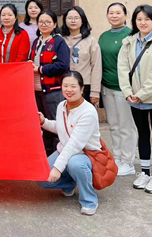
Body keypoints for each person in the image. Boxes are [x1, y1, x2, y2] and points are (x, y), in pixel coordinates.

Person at [118, 5, 152, 194]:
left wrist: (141, 94)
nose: (143, 23)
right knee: (142, 134)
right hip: (134, 98)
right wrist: (128, 92)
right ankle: (144, 172)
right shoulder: (128, 43)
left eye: (147, 19)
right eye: (139, 19)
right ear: (134, 21)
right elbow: (122, 68)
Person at [38, 71, 102, 216]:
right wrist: (44, 122)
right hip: (65, 150)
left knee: (75, 163)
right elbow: (61, 127)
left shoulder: (88, 112)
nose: (69, 90)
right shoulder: (62, 105)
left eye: (73, 86)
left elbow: (74, 144)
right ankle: (69, 183)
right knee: (42, 178)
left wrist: (57, 169)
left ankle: (89, 200)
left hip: (86, 154)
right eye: (65, 86)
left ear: (82, 88)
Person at [99, 2, 136, 177]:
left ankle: (128, 161)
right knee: (114, 126)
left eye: (118, 13)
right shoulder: (103, 36)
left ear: (125, 15)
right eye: (111, 13)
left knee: (126, 126)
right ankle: (118, 158)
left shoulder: (131, 35)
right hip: (107, 86)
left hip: (124, 88)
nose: (114, 16)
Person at [30, 9, 70, 155]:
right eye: (41, 22)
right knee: (43, 124)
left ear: (54, 24)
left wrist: (40, 69)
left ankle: (58, 157)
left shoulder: (59, 42)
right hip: (37, 90)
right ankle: (46, 157)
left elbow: (63, 65)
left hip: (52, 90)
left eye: (48, 22)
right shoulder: (37, 41)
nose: (44, 24)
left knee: (55, 125)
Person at [61, 6, 102, 106]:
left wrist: (95, 91)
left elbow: (96, 66)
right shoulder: (60, 39)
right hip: (63, 86)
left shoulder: (91, 41)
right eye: (70, 18)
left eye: (76, 18)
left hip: (84, 86)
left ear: (82, 20)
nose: (73, 21)